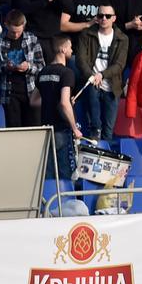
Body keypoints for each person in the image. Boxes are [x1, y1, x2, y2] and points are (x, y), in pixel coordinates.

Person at [75, 5, 128, 141]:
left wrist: (102, 75)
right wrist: (92, 76)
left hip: (112, 86)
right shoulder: (86, 34)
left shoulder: (122, 38)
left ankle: (106, 159)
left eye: (108, 16)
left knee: (108, 130)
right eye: (100, 16)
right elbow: (81, 60)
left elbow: (119, 65)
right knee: (95, 127)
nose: (104, 18)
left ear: (114, 18)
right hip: (92, 82)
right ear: (96, 18)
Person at [37, 36, 82, 180]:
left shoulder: (43, 72)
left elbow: (34, 101)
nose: (72, 50)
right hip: (61, 130)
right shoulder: (67, 73)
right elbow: (64, 103)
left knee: (49, 173)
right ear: (63, 49)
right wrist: (74, 128)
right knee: (64, 173)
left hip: (45, 130)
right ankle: (66, 201)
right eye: (70, 47)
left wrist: (53, 101)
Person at [0, 10, 43, 124]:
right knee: (14, 129)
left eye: (18, 32)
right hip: (9, 93)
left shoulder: (32, 39)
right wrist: (5, 67)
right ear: (6, 25)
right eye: (12, 32)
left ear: (24, 26)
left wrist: (28, 67)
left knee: (33, 128)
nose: (16, 35)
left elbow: (41, 66)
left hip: (30, 92)